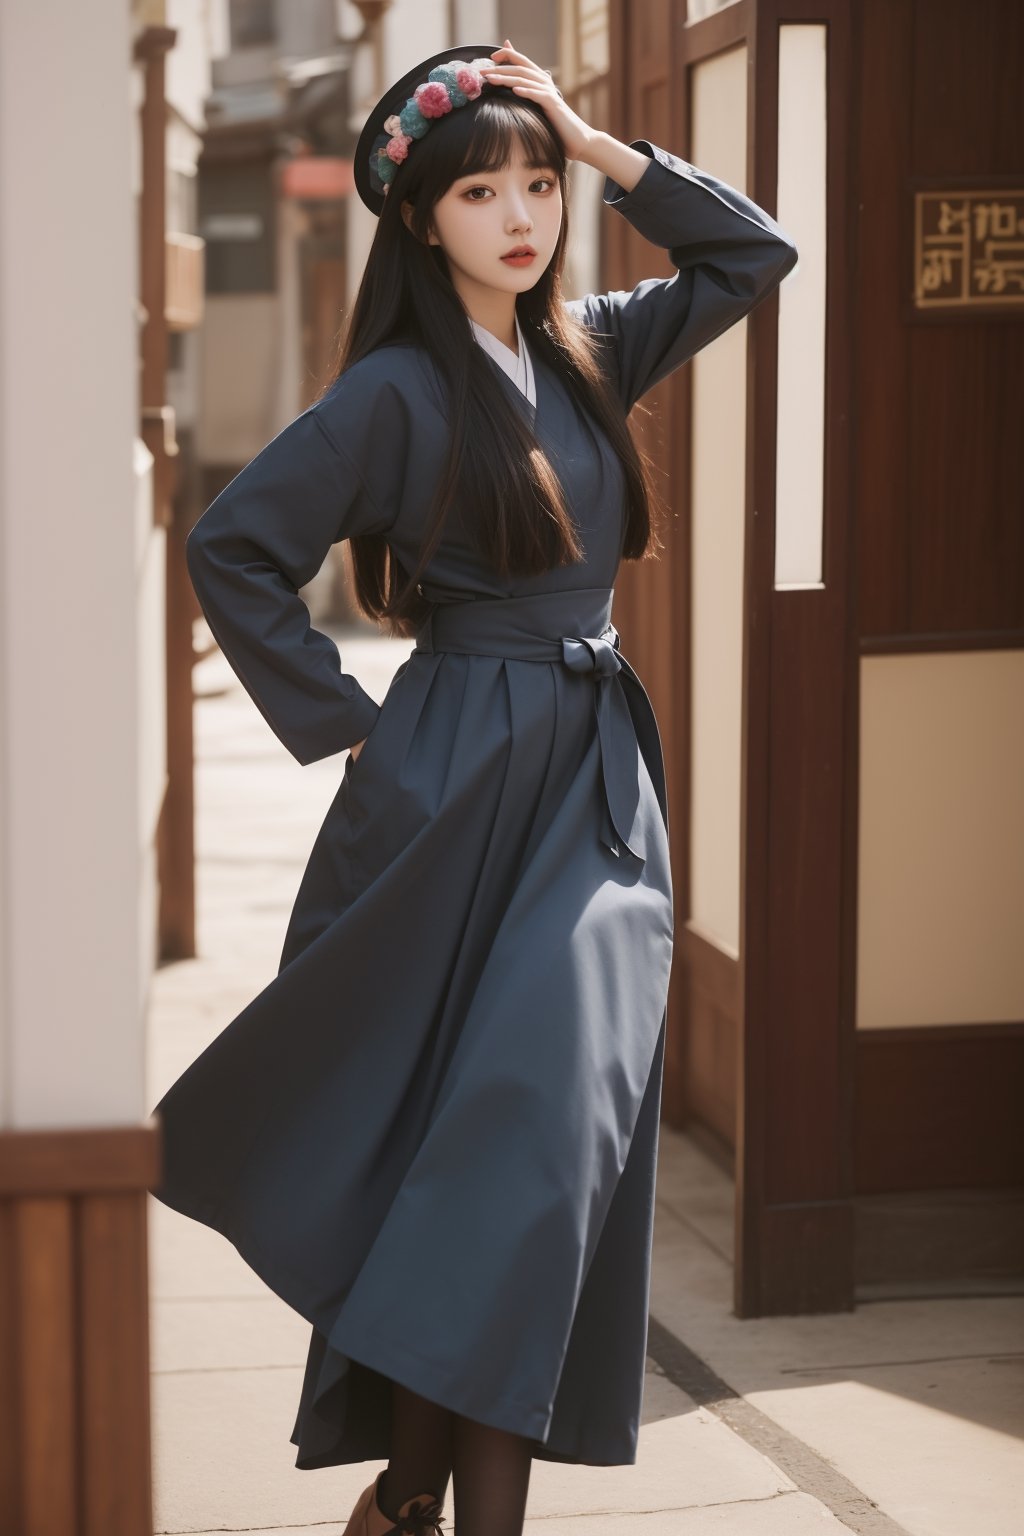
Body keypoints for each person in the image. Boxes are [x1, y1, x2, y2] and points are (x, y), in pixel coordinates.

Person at [149, 36, 798, 1536]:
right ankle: (417, 1492)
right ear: (422, 219)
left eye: (538, 184)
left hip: (590, 789)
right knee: (468, 1165)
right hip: (448, 790)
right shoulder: (389, 395)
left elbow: (756, 252)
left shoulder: (592, 347)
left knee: (532, 1152)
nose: (524, 213)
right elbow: (231, 546)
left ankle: (416, 1494)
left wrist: (594, 132)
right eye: (483, 190)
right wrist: (346, 720)